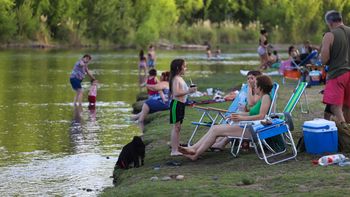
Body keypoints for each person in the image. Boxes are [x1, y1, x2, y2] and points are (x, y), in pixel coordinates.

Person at [178, 75, 273, 160]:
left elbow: (261, 116)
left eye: (256, 85)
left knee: (215, 130)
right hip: (249, 126)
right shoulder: (262, 98)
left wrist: (241, 118)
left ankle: (195, 153)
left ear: (261, 87)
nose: (254, 87)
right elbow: (252, 113)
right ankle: (193, 149)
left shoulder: (266, 97)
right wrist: (238, 115)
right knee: (214, 128)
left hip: (253, 130)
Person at [210, 70, 263, 151]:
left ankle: (221, 143)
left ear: (258, 79)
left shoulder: (260, 92)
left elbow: (252, 104)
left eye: (251, 78)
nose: (249, 80)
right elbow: (252, 108)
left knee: (234, 122)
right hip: (250, 116)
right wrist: (244, 109)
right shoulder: (253, 91)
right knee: (231, 120)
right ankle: (215, 143)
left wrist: (248, 88)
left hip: (257, 121)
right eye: (248, 78)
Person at [320, 10, 350, 124]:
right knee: (347, 107)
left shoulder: (329, 35)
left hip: (337, 74)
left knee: (335, 107)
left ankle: (345, 134)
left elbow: (324, 59)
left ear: (330, 22)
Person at [169, 59, 197, 156]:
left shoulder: (180, 78)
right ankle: (174, 150)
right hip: (176, 104)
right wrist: (189, 91)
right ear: (178, 67)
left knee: (178, 127)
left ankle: (177, 148)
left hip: (181, 104)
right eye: (184, 66)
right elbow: (176, 93)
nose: (186, 68)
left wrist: (190, 90)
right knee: (176, 127)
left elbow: (182, 91)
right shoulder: (176, 79)